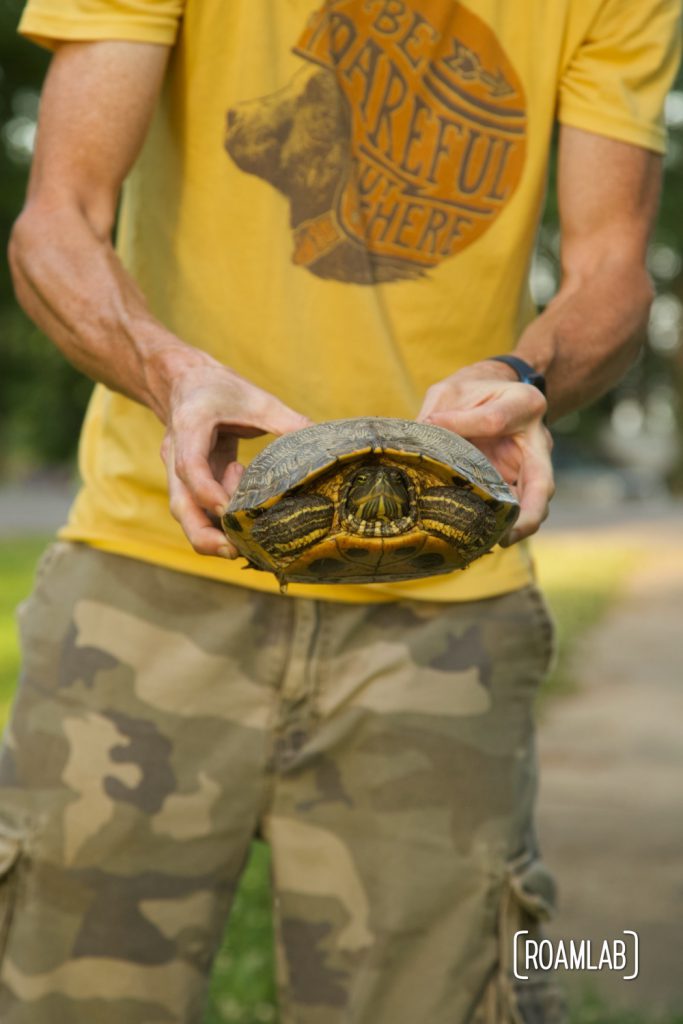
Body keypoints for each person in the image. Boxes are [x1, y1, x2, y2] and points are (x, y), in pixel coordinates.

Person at [1, 1, 679, 1022]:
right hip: (147, 566)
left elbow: (610, 272)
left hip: (444, 597)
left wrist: (521, 373)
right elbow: (56, 220)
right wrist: (171, 374)